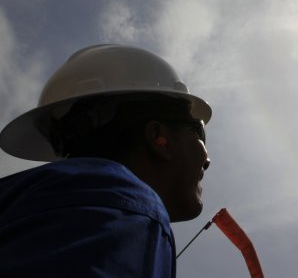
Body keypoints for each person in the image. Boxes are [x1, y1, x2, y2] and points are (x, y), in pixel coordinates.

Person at [0, 44, 212, 277]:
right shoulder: (123, 207)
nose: (207, 159)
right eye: (198, 132)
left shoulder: (27, 205)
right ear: (159, 138)